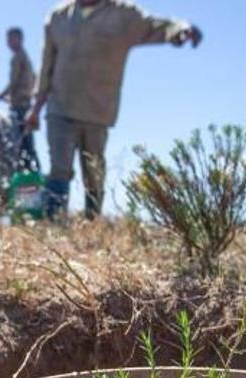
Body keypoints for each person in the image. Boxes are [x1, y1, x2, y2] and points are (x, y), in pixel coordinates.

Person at [26, 0, 202, 219]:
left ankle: (91, 224)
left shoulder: (123, 14)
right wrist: (35, 109)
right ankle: (54, 223)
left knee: (94, 172)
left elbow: (153, 26)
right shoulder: (58, 16)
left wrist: (180, 30)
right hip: (60, 106)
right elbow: (46, 66)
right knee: (59, 167)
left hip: (98, 110)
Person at [0, 27, 39, 172]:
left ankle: (24, 175)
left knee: (19, 144)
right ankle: (33, 172)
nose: (9, 43)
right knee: (27, 144)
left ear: (19, 39)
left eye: (11, 39)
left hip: (20, 107)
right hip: (24, 104)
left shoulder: (18, 58)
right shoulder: (26, 58)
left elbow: (13, 83)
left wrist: (1, 95)